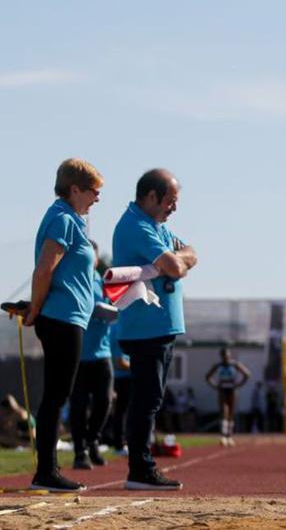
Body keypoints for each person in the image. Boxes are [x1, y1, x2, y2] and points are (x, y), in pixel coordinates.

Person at [113, 168, 198, 490]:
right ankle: (140, 469)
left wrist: (178, 261)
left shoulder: (156, 227)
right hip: (145, 326)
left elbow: (192, 254)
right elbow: (177, 266)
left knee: (150, 399)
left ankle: (141, 466)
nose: (173, 207)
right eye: (170, 200)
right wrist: (177, 263)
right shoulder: (136, 226)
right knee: (145, 401)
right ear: (151, 197)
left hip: (160, 326)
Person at [23, 158, 102, 491]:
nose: (97, 198)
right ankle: (47, 472)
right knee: (56, 396)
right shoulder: (63, 220)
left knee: (58, 394)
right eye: (93, 191)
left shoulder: (70, 219)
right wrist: (35, 309)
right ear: (74, 189)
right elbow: (44, 269)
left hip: (67, 318)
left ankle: (47, 470)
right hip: (61, 318)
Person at [69, 248, 114, 470]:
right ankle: (80, 451)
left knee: (105, 401)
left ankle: (93, 439)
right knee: (78, 405)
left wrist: (111, 310)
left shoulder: (103, 281)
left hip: (102, 352)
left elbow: (116, 304)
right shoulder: (75, 278)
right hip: (79, 354)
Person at [205, 347, 251, 447]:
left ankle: (229, 436)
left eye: (227, 355)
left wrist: (238, 384)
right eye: (224, 356)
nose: (225, 358)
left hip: (232, 390)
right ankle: (223, 436)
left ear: (229, 355)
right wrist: (215, 385)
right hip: (222, 389)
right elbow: (208, 376)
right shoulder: (218, 366)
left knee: (231, 412)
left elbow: (247, 374)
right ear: (221, 356)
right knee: (224, 411)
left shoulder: (234, 364)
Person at [104, 320, 131, 454]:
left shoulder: (117, 326)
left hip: (122, 376)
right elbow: (120, 362)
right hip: (123, 377)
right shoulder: (119, 328)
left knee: (121, 411)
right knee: (122, 411)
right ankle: (120, 443)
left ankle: (120, 441)